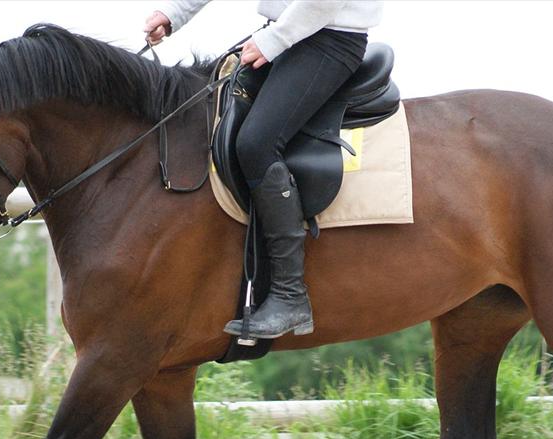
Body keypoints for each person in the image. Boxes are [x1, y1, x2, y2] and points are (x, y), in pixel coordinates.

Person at [145, 1, 384, 339]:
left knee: (256, 144)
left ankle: (290, 297)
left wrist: (274, 40)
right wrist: (176, 13)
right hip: (283, 33)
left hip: (328, 39)